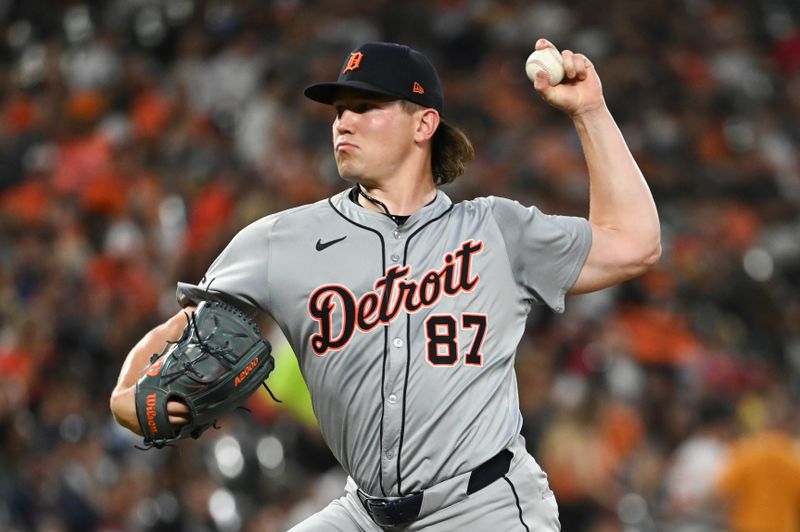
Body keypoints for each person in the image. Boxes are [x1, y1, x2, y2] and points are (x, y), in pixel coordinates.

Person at [110, 39, 660, 531]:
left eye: (366, 108)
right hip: (364, 512)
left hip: (484, 506)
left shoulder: (497, 230)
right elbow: (183, 326)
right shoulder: (282, 239)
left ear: (424, 124)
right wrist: (123, 400)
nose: (342, 122)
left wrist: (589, 112)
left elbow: (636, 243)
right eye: (340, 110)